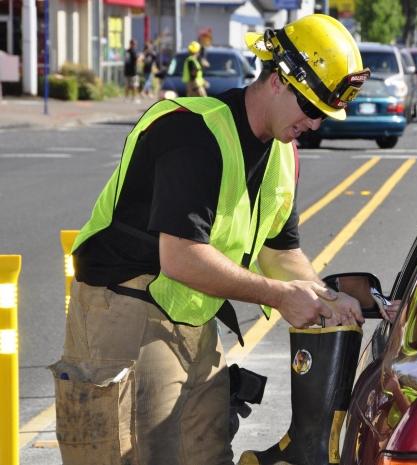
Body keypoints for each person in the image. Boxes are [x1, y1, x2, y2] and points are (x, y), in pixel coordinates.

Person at [52, 14, 369, 465]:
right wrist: (281, 296)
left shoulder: (282, 154)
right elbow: (181, 258)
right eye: (313, 107)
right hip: (125, 311)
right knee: (138, 456)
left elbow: (281, 252)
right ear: (279, 80)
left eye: (325, 114)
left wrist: (324, 298)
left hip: (193, 319)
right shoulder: (193, 134)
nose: (315, 124)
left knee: (208, 455)